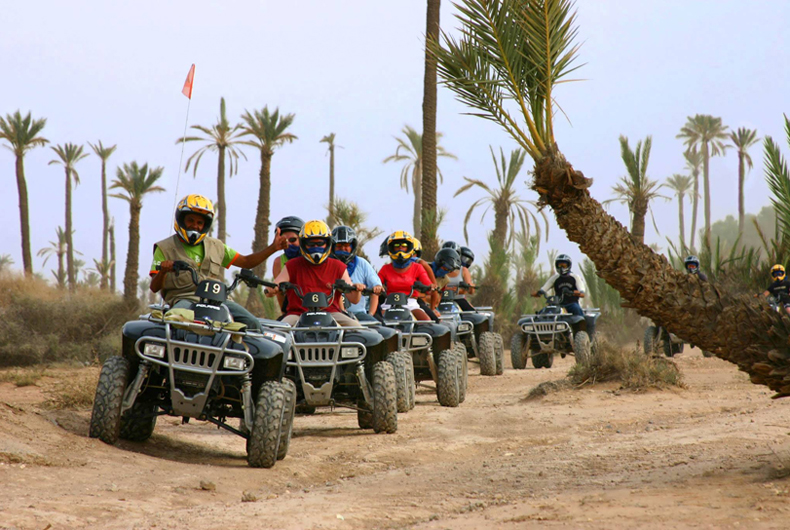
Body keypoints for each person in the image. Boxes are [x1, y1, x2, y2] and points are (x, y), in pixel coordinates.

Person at [150, 194, 286, 331]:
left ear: (205, 225)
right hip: (184, 299)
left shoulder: (217, 246)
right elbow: (154, 287)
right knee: (175, 321)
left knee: (253, 324)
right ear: (181, 220)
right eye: (190, 220)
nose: (195, 226)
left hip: (218, 300)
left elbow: (246, 262)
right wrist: (163, 271)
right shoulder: (164, 248)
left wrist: (273, 248)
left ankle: (238, 353)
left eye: (199, 223)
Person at [264, 220, 361, 327]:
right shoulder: (292, 265)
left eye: (320, 243)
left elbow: (354, 299)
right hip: (297, 314)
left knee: (358, 330)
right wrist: (273, 288)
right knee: (279, 333)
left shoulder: (338, 266)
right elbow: (271, 289)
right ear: (303, 244)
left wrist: (357, 289)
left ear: (328, 243)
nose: (316, 247)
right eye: (311, 243)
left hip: (332, 313)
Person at [377, 231, 435, 321]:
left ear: (409, 247)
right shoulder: (385, 268)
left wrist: (430, 287)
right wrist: (375, 287)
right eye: (397, 246)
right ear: (391, 248)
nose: (400, 249)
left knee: (427, 321)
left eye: (403, 246)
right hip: (389, 303)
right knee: (380, 322)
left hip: (411, 303)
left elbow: (427, 283)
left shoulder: (418, 268)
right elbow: (375, 282)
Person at [331, 225, 383, 322]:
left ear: (352, 246)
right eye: (339, 246)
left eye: (346, 246)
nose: (343, 249)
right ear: (332, 247)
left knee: (378, 329)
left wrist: (370, 314)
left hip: (359, 314)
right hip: (332, 313)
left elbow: (376, 287)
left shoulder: (362, 263)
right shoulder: (328, 264)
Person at [271, 216, 304, 311]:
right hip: (293, 311)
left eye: (293, 240)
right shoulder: (278, 262)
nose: (289, 244)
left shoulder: (310, 259)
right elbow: (280, 294)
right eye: (284, 240)